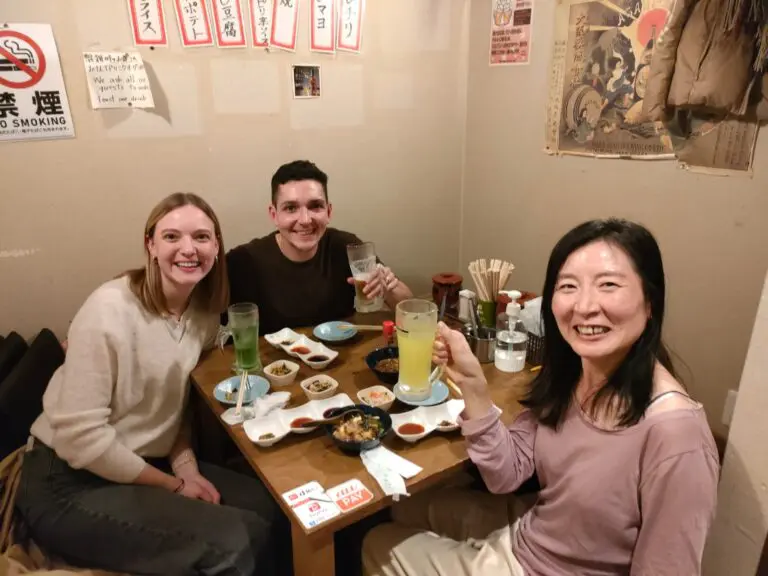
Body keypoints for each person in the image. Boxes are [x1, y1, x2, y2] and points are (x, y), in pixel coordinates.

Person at [363, 219, 719, 576]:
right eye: (568, 286)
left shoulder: (677, 435)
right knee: (401, 507)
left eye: (608, 285)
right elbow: (505, 473)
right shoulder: (578, 372)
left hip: (540, 566)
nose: (584, 306)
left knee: (376, 542)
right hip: (534, 528)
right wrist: (473, 381)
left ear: (651, 301)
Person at [15, 193, 284, 576]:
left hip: (141, 460)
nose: (188, 249)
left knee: (266, 506)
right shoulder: (109, 309)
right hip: (66, 481)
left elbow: (171, 411)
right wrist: (173, 486)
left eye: (202, 237)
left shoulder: (203, 316)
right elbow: (81, 439)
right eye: (172, 236)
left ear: (216, 246)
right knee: (231, 542)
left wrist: (187, 469)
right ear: (151, 245)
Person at [226, 160, 413, 333]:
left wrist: (388, 287)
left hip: (340, 360)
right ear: (274, 215)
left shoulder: (346, 246)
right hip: (273, 366)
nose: (305, 220)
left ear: (329, 211)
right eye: (291, 208)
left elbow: (411, 309)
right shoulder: (244, 261)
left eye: (315, 206)